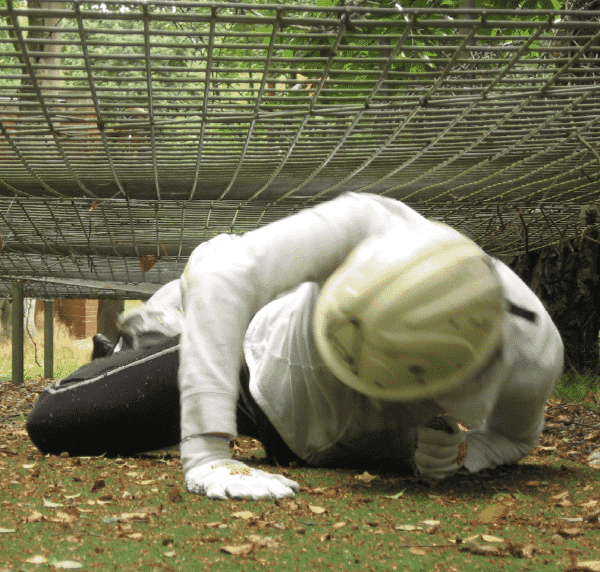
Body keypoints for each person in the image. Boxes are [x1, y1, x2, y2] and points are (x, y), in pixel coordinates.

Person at [26, 193, 564, 501]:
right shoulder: (368, 223)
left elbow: (514, 439)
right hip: (253, 371)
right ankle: (164, 330)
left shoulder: (532, 355)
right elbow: (225, 269)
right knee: (55, 421)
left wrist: (468, 453)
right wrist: (209, 455)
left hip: (359, 446)